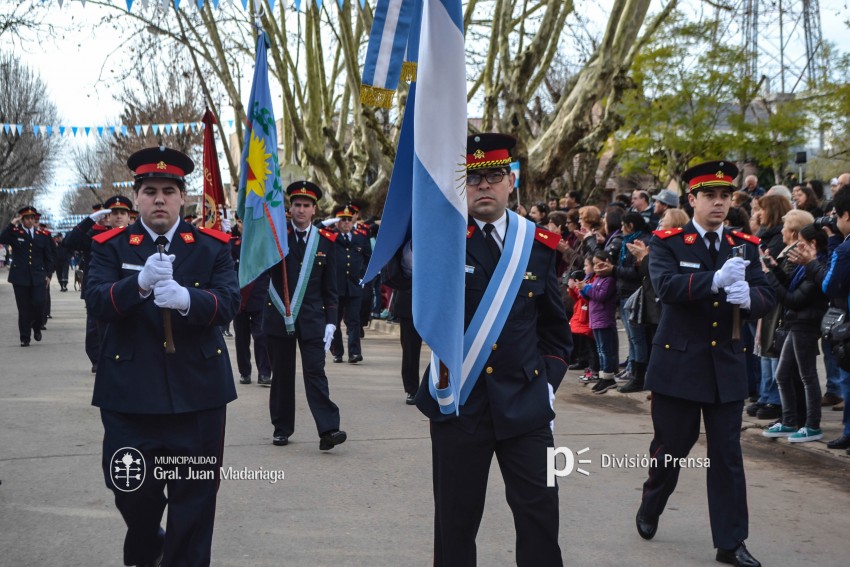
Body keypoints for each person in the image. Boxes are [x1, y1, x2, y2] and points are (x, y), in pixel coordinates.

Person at [413, 133, 571, 567]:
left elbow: (556, 333)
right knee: (454, 525)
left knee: (542, 517)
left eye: (494, 176)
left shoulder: (537, 246)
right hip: (460, 407)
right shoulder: (440, 240)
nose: (484, 186)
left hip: (528, 409)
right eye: (473, 177)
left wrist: (548, 385)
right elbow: (407, 287)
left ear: (510, 182)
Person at [85, 146, 240, 567]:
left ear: (182, 198)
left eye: (168, 191)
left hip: (198, 396)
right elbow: (97, 300)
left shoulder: (210, 247)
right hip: (130, 396)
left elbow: (228, 302)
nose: (159, 199)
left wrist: (188, 299)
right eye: (150, 190)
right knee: (130, 487)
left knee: (194, 500)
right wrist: (137, 287)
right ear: (136, 198)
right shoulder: (112, 247)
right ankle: (148, 542)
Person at [635, 160, 776, 567]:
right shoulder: (668, 242)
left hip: (727, 365)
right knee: (672, 449)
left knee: (727, 456)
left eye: (725, 196)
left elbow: (766, 293)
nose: (718, 203)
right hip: (679, 365)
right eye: (710, 196)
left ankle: (731, 542)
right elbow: (664, 286)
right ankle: (651, 504)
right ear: (692, 200)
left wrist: (751, 300)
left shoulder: (744, 244)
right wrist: (712, 281)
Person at [263, 181, 346, 450]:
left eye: (306, 205)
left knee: (315, 373)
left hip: (312, 320)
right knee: (282, 375)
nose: (300, 209)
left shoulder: (325, 243)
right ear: (289, 208)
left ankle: (328, 429)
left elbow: (330, 289)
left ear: (314, 210)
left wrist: (332, 323)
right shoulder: (276, 239)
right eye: (296, 204)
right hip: (279, 317)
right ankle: (281, 428)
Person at [787, 187, 850, 454]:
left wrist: (813, 262)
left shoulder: (844, 249)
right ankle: (847, 432)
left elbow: (830, 284)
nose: (833, 222)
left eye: (836, 215)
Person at [762, 220, 828, 442]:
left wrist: (769, 276)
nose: (796, 247)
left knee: (807, 376)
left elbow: (793, 299)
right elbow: (790, 284)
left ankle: (812, 425)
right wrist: (772, 267)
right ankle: (789, 420)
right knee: (783, 374)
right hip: (795, 324)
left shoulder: (818, 267)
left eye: (801, 243)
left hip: (806, 326)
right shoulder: (804, 266)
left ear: (813, 244)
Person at [65, 202, 114, 372]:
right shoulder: (93, 234)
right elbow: (69, 241)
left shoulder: (127, 234)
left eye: (111, 215)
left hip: (119, 287)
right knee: (95, 325)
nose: (108, 219)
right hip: (95, 287)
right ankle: (97, 358)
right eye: (104, 216)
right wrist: (90, 220)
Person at [0, 206, 55, 347]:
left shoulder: (43, 235)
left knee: (39, 304)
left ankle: (36, 326)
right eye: (27, 218)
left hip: (38, 276)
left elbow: (49, 257)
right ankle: (25, 337)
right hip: (20, 277)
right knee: (23, 308)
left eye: (32, 218)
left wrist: (49, 274)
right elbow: (2, 238)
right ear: (22, 220)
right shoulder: (14, 233)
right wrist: (12, 223)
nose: (30, 221)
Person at [230, 218, 272, 386]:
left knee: (261, 337)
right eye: (241, 221)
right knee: (241, 338)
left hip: (260, 297)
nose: (244, 225)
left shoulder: (263, 245)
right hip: (239, 298)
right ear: (238, 225)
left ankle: (264, 373)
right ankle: (245, 372)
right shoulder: (232, 245)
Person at [330, 204, 372, 363]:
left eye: (349, 220)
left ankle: (354, 353)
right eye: (343, 220)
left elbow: (369, 258)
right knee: (335, 321)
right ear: (336, 221)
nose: (346, 223)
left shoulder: (360, 236)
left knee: (353, 320)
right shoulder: (331, 236)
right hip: (335, 286)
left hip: (354, 285)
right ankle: (337, 352)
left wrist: (365, 277)